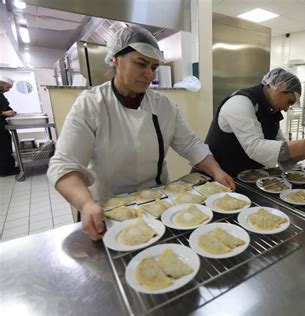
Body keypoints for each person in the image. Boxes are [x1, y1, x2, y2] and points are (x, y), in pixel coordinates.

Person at [48, 27, 235, 240]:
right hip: (109, 211)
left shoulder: (163, 105)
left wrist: (217, 172)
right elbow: (63, 165)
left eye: (154, 67)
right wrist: (86, 204)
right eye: (141, 64)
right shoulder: (91, 104)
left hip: (158, 205)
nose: (149, 74)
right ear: (115, 60)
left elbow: (191, 145)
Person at [205, 68, 305, 176]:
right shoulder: (240, 102)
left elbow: (282, 155)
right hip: (215, 177)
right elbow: (256, 148)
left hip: (242, 179)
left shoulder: (271, 114)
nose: (287, 109)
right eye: (289, 101)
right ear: (280, 85)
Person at [0, 76, 19, 177]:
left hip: (3, 126)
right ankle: (4, 170)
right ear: (1, 83)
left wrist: (11, 111)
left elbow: (5, 106)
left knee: (6, 146)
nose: (8, 90)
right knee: (2, 149)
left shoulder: (1, 94)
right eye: (8, 87)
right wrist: (3, 113)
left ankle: (10, 167)